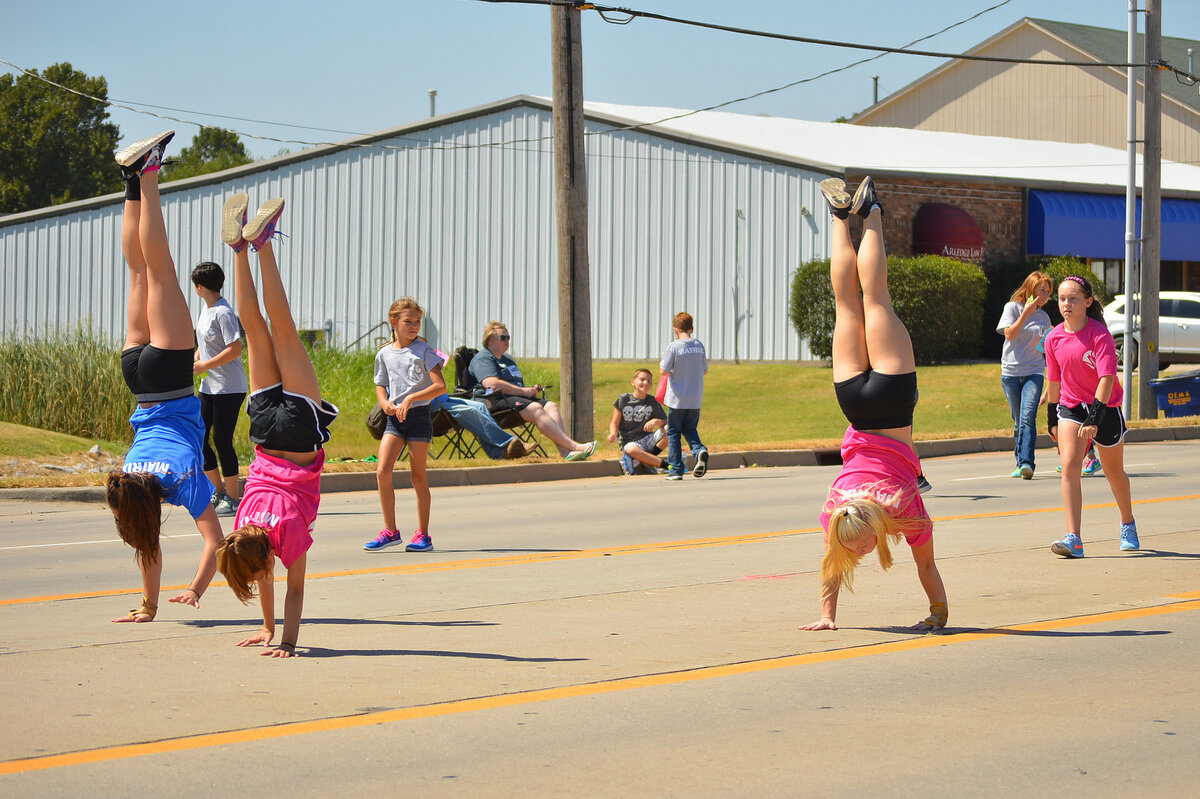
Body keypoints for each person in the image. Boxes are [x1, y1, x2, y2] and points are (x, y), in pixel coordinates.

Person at [799, 176, 948, 633]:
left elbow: (926, 567)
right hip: (854, 404)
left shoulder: (904, 507)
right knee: (847, 303)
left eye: (860, 547)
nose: (859, 552)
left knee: (872, 298)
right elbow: (833, 558)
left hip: (894, 399)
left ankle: (874, 211)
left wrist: (941, 615)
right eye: (861, 549)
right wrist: (826, 614)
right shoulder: (835, 511)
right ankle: (840, 216)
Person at [106, 130, 225, 624]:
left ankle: (150, 170)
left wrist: (196, 591)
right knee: (137, 271)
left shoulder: (185, 482)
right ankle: (131, 180)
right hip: (136, 377)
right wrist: (148, 606)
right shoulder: (132, 476)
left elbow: (216, 543)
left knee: (161, 268)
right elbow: (146, 546)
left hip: (173, 376)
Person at [214, 193, 340, 657]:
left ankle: (263, 244)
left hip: (299, 432)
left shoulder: (285, 534)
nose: (261, 576)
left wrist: (286, 640)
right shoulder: (243, 526)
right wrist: (269, 631)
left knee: (282, 327)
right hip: (265, 429)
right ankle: (240, 249)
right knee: (255, 329)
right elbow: (264, 574)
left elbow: (293, 589)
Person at [1044, 274, 1138, 558]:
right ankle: (1074, 538)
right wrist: (1051, 417)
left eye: (1073, 299)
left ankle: (1127, 523)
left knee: (1114, 473)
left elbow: (1107, 378)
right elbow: (1054, 381)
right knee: (1070, 465)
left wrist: (1095, 418)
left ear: (1087, 302)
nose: (1066, 304)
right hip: (1072, 407)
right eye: (1061, 299)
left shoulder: (1100, 335)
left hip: (1104, 407)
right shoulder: (1054, 337)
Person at [364, 299, 447, 553]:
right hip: (394, 419)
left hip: (419, 418)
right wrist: (384, 401)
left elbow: (440, 386)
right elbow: (380, 384)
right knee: (382, 471)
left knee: (417, 477)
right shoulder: (385, 353)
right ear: (394, 322)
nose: (413, 326)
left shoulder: (424, 351)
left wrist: (412, 397)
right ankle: (390, 531)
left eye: (417, 322)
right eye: (407, 321)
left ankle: (423, 535)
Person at [468, 322, 595, 461]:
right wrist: (523, 392)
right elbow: (490, 383)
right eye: (503, 337)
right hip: (495, 402)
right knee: (536, 408)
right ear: (490, 339)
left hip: (515, 399)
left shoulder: (508, 360)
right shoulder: (483, 358)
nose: (507, 341)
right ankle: (574, 446)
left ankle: (565, 452)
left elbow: (516, 384)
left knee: (551, 406)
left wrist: (530, 390)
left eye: (508, 337)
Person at [191, 261, 248, 516]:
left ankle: (234, 498)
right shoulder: (206, 310)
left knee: (222, 440)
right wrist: (197, 356)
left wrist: (205, 364)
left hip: (229, 387)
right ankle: (218, 491)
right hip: (209, 386)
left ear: (200, 286)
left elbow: (235, 348)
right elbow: (204, 342)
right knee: (200, 438)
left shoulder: (224, 312)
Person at [997, 271, 1053, 479]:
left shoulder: (1044, 317)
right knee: (1018, 419)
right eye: (1042, 290)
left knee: (1027, 417)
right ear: (1030, 288)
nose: (1046, 295)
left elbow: (1046, 349)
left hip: (1034, 372)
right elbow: (1010, 334)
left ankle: (1027, 463)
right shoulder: (1012, 308)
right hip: (1010, 373)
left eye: (1048, 291)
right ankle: (1020, 462)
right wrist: (1026, 312)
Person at [660, 312, 709, 480]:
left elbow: (663, 370)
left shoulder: (674, 347)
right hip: (695, 398)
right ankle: (699, 450)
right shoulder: (699, 346)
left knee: (673, 432)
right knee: (690, 428)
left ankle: (675, 470)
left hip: (677, 398)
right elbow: (705, 370)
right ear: (692, 329)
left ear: (675, 330)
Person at [430, 392, 538, 460]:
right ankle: (509, 443)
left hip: (443, 398)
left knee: (481, 406)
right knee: (471, 411)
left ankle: (499, 453)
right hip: (429, 405)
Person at [608, 368, 668, 475]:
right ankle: (666, 466)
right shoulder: (623, 399)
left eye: (649, 381)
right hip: (630, 442)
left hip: (647, 440)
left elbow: (665, 421)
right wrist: (612, 433)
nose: (646, 383)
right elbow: (614, 423)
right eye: (642, 379)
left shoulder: (652, 401)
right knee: (632, 450)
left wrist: (656, 421)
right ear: (633, 382)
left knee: (672, 429)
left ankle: (646, 460)